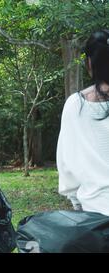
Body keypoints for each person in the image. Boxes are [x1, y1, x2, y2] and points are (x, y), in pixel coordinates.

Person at [57, 29, 109, 216]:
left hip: (93, 214)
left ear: (89, 63)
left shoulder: (76, 104)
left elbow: (66, 163)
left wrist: (75, 201)